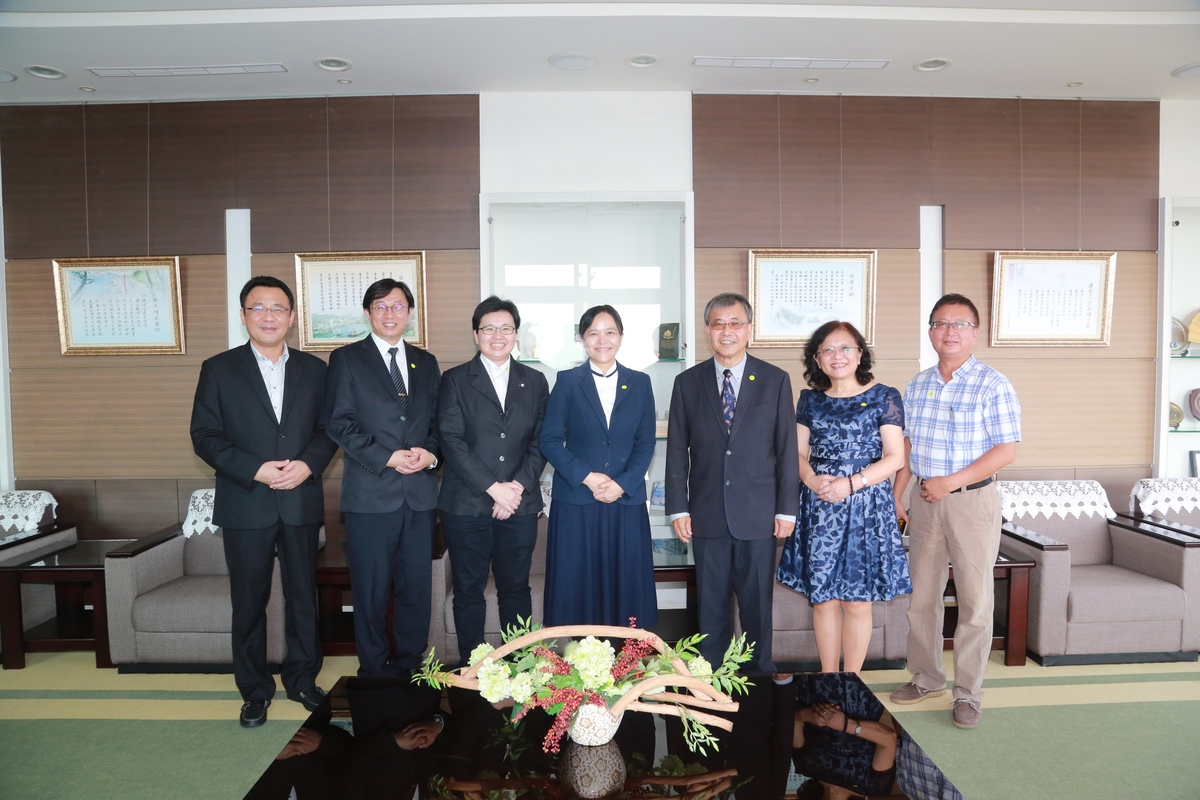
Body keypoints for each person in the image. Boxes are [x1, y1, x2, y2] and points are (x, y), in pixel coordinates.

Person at [190, 275, 338, 728]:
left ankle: (302, 679)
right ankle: (254, 690)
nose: (269, 316)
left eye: (278, 308)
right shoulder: (218, 368)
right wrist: (255, 469)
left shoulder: (316, 370)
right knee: (248, 601)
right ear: (243, 315)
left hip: (299, 500)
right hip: (246, 501)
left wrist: (307, 465)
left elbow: (329, 429)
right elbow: (205, 436)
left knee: (302, 597)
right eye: (259, 308)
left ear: (291, 317)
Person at [889, 293, 1021, 730]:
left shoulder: (993, 383)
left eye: (960, 324)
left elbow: (1007, 450)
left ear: (975, 333)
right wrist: (898, 492)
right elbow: (907, 446)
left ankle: (968, 694)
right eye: (941, 323)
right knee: (921, 599)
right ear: (930, 332)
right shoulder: (919, 383)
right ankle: (926, 677)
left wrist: (952, 481)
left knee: (975, 602)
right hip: (924, 504)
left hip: (973, 504)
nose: (950, 331)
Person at [665, 292, 799, 673]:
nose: (727, 331)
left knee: (757, 606)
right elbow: (677, 450)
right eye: (719, 323)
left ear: (749, 329)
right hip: (705, 514)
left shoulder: (774, 380)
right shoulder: (687, 383)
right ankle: (711, 681)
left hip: (758, 515)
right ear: (708, 329)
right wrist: (678, 506)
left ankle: (758, 681)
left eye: (735, 323)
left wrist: (786, 509)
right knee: (710, 607)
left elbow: (787, 449)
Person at [323, 278, 442, 677]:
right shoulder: (347, 359)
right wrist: (387, 457)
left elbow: (437, 424)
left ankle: (411, 667)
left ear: (410, 312)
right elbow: (338, 422)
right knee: (371, 592)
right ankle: (373, 671)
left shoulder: (425, 363)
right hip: (371, 497)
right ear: (367, 313)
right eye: (380, 306)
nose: (389, 313)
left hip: (420, 497)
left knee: (415, 590)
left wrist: (430, 454)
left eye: (397, 306)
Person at [776, 321, 910, 674]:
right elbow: (797, 454)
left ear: (860, 353)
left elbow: (895, 457)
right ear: (817, 359)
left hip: (865, 505)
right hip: (819, 506)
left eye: (846, 348)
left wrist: (851, 484)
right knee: (823, 600)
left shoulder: (884, 396)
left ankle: (851, 680)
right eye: (828, 350)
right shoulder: (809, 399)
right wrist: (812, 480)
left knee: (856, 602)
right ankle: (828, 679)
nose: (838, 356)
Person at [437, 296, 549, 660]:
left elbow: (541, 441)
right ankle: (473, 667)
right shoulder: (454, 380)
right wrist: (493, 490)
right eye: (489, 328)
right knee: (468, 589)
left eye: (506, 328)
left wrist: (514, 490)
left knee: (515, 588)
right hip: (467, 505)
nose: (497, 335)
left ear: (516, 334)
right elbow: (450, 441)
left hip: (519, 503)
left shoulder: (534, 381)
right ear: (475, 334)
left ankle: (520, 665)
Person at [539, 305, 657, 627]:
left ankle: (627, 662)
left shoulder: (640, 382)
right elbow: (548, 440)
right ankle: (579, 664)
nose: (602, 340)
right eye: (593, 333)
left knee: (627, 585)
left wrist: (622, 483)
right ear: (582, 339)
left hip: (626, 500)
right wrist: (588, 478)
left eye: (610, 332)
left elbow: (646, 442)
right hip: (577, 500)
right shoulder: (566, 381)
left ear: (621, 337)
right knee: (576, 587)